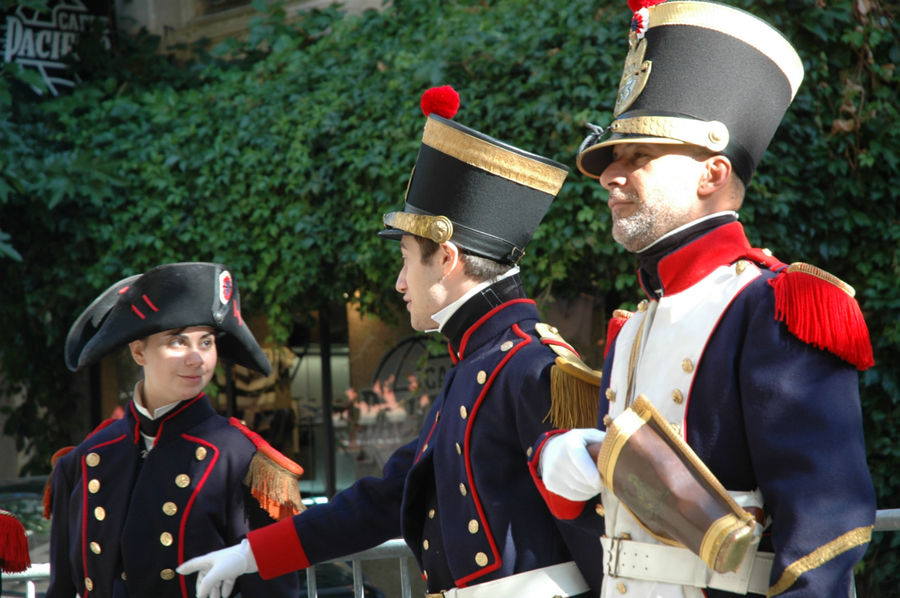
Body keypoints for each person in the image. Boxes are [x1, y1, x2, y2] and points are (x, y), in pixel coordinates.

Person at [178, 86, 603, 598]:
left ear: (446, 259)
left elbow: (597, 536)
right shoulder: (476, 364)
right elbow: (385, 500)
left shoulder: (535, 365)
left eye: (405, 258)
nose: (400, 283)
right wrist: (250, 553)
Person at [533, 1, 877, 597]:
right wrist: (565, 466)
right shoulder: (632, 325)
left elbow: (826, 530)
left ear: (712, 175)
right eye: (612, 160)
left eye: (637, 156)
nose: (610, 176)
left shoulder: (776, 304)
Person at [46, 262, 304, 598]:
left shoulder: (244, 462)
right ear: (138, 351)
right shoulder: (83, 461)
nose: (197, 359)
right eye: (178, 341)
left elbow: (274, 592)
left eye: (207, 342)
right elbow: (62, 590)